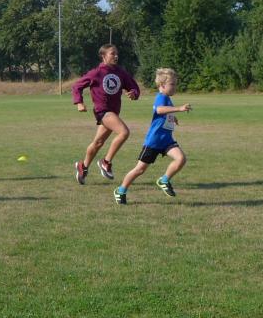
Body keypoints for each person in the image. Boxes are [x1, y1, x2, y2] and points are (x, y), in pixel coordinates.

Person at [113, 68, 191, 205]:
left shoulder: (167, 98)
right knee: (139, 170)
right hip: (154, 142)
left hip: (166, 141)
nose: (175, 87)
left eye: (175, 84)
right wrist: (179, 109)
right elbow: (160, 110)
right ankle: (121, 190)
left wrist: (172, 118)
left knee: (181, 159)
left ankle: (164, 180)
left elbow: (165, 113)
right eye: (172, 84)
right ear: (162, 85)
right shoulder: (161, 97)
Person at [71, 43, 140, 184]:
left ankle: (83, 167)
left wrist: (134, 93)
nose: (116, 56)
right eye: (112, 53)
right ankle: (105, 162)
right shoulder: (96, 73)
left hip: (113, 113)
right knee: (124, 132)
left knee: (98, 142)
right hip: (102, 111)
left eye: (117, 53)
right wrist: (79, 102)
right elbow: (77, 86)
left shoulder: (121, 73)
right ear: (103, 56)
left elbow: (133, 86)